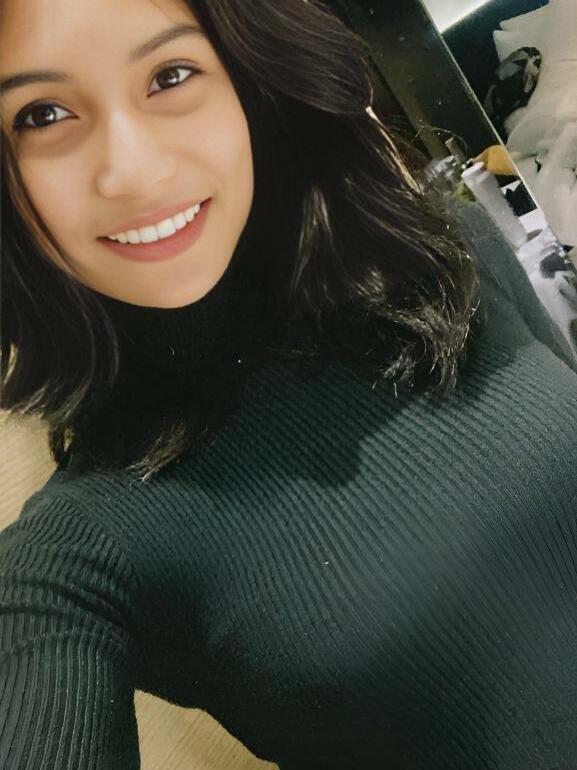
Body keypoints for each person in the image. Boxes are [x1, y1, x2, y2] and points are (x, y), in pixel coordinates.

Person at [2, 1, 577, 769]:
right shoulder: (76, 556)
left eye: (171, 75)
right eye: (42, 114)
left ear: (248, 78)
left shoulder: (443, 255)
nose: (132, 173)